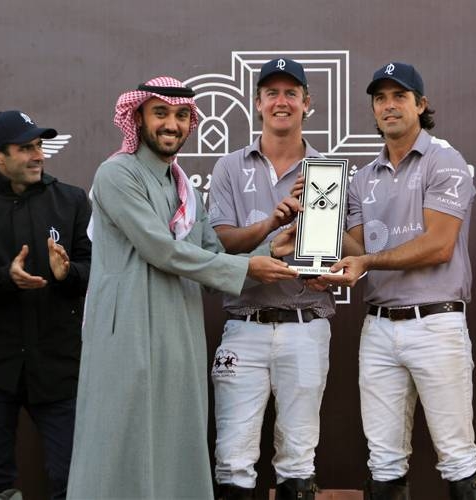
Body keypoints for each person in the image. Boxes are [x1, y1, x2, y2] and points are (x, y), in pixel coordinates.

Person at [67, 76, 298, 500]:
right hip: (129, 331)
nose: (171, 124)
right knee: (121, 439)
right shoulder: (116, 174)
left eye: (180, 116)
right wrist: (250, 266)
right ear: (137, 117)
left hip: (178, 330)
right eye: (161, 114)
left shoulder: (183, 187)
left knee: (174, 437)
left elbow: (209, 249)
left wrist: (272, 247)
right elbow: (161, 250)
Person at [321, 62, 476, 500]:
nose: (389, 106)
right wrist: (307, 234)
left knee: (457, 457)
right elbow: (355, 252)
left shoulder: (445, 160)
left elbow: (438, 246)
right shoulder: (359, 179)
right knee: (383, 460)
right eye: (380, 98)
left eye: (399, 96)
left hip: (436, 322)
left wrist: (368, 260)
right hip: (377, 327)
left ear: (421, 104)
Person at [208, 58, 333, 500]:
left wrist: (328, 272)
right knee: (233, 458)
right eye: (272, 93)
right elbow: (220, 244)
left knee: (299, 459)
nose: (282, 102)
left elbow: (341, 250)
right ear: (257, 103)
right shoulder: (228, 166)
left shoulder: (326, 172)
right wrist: (273, 223)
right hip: (245, 325)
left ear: (306, 103)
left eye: (291, 93)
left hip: (306, 323)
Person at [0, 110, 91, 500]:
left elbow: (94, 268)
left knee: (72, 479)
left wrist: (69, 275)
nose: (38, 155)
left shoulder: (72, 200)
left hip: (60, 368)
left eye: (39, 146)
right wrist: (5, 279)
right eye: (25, 148)